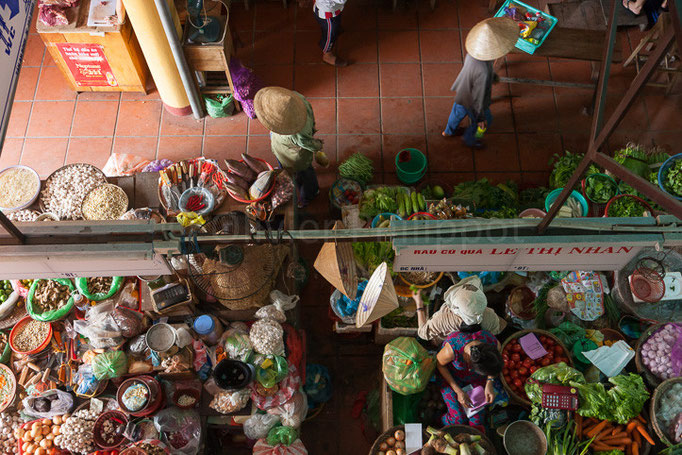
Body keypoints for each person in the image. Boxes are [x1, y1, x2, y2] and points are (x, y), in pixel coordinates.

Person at [443, 17, 518, 149]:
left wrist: (492, 76)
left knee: (457, 112)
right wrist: (480, 118)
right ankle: (470, 139)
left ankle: (448, 132)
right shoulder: (483, 72)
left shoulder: (473, 54)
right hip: (473, 101)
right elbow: (477, 100)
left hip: (462, 91)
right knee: (486, 121)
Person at [253, 87, 328, 207]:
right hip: (281, 147)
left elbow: (307, 143)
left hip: (293, 155)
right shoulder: (296, 99)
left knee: (305, 173)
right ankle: (298, 178)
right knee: (289, 168)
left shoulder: (298, 134)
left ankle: (310, 194)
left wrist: (318, 146)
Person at [436, 329, 503, 430]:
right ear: (470, 365)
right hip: (451, 378)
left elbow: (497, 351)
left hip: (474, 380)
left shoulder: (489, 342)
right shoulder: (453, 349)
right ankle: (438, 419)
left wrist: (490, 382)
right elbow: (439, 365)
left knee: (477, 420)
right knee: (458, 419)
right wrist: (458, 391)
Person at [415, 276, 507, 343]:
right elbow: (500, 327)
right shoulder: (489, 315)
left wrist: (419, 304)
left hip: (454, 340)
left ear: (456, 309)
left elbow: (422, 333)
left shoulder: (443, 319)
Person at [313, 0, 349, 66]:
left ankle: (336, 29)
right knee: (330, 34)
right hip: (326, 13)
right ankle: (327, 54)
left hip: (333, 9)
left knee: (336, 22)